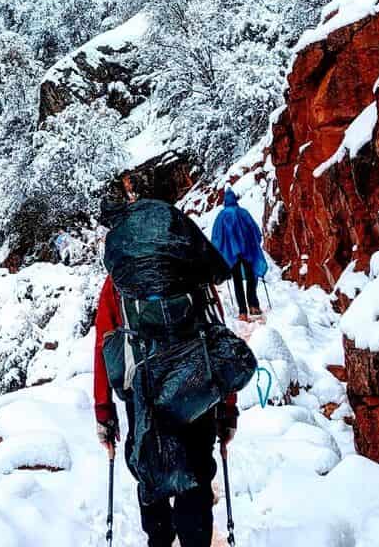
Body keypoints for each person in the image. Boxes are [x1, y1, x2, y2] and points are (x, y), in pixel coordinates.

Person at [94, 172, 239, 547]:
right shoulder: (192, 274)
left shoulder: (117, 285)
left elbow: (103, 347)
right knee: (195, 476)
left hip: (143, 396)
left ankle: (158, 541)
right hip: (196, 392)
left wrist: (104, 413)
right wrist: (227, 407)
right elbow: (216, 338)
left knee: (151, 473)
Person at [211, 189, 267, 320]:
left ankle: (242, 312)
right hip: (248, 251)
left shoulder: (221, 216)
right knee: (251, 277)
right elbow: (256, 231)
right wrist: (254, 244)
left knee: (237, 281)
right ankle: (253, 306)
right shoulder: (243, 213)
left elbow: (217, 238)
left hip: (231, 255)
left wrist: (219, 253)